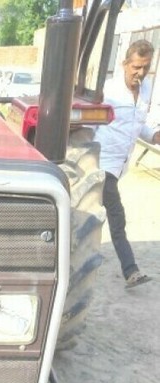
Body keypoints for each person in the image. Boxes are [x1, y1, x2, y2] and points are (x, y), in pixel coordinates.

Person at [93, 39, 160, 288]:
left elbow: (137, 125)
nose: (140, 73)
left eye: (146, 67)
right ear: (124, 64)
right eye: (136, 67)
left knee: (97, 216)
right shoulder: (108, 91)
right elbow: (90, 124)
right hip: (102, 163)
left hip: (121, 165)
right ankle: (131, 271)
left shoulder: (146, 89)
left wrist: (154, 136)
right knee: (117, 215)